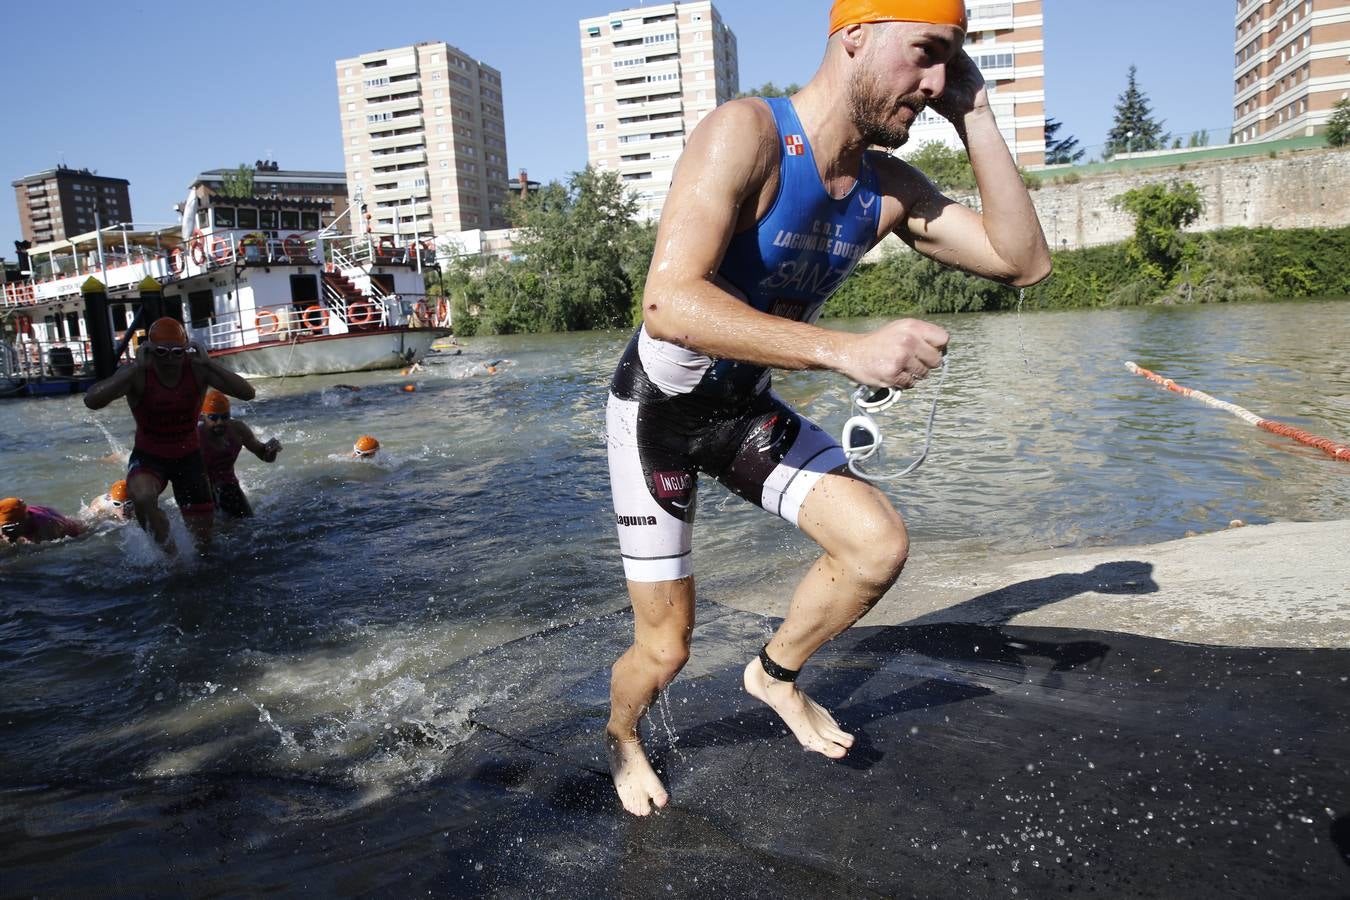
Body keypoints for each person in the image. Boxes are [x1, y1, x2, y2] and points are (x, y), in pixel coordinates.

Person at [603, 0, 1052, 816]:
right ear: (854, 35)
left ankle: (772, 675)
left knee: (876, 546)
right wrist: (847, 349)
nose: (935, 82)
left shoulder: (887, 189)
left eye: (951, 62)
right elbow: (668, 303)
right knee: (664, 649)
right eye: (923, 54)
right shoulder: (750, 133)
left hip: (742, 406)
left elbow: (1023, 263)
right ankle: (623, 737)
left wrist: (978, 114)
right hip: (658, 415)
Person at [84, 317, 256, 552]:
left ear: (187, 349)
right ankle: (170, 558)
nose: (170, 359)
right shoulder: (138, 374)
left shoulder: (197, 370)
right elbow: (92, 400)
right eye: (162, 352)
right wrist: (135, 366)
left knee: (204, 546)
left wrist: (209, 364)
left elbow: (247, 393)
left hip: (190, 459)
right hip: (149, 456)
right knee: (142, 497)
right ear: (149, 350)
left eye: (177, 352)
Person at [197, 390, 282, 518]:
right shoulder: (194, 436)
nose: (219, 422)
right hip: (200, 490)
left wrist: (272, 450)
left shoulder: (238, 430)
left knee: (249, 526)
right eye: (213, 418)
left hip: (229, 486)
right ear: (202, 416)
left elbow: (265, 457)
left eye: (225, 417)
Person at [1, 497, 85, 544]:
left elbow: (42, 547)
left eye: (11, 524)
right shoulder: (14, 518)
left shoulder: (45, 527)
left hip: (68, 528)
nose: (7, 527)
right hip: (41, 514)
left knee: (85, 524)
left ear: (23, 519)